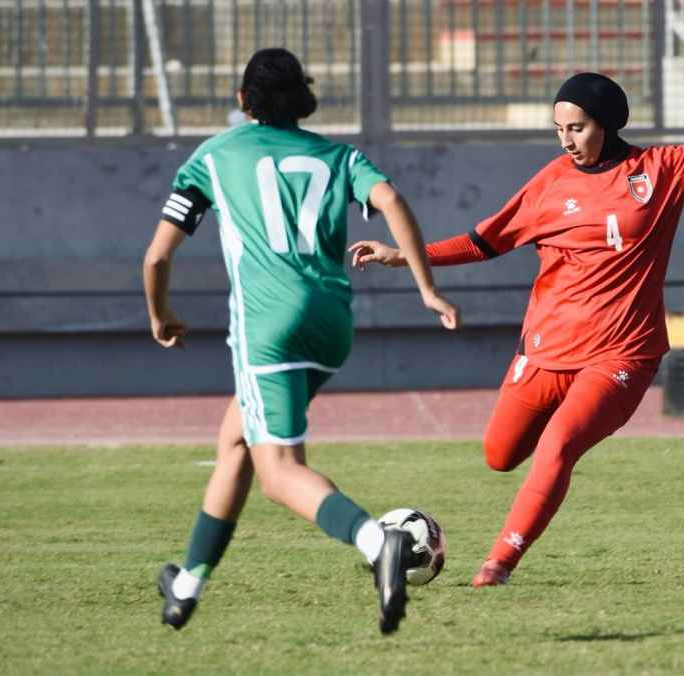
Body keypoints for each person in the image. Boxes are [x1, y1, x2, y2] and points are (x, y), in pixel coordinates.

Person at [349, 71, 684, 586]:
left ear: (607, 123)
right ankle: (532, 487)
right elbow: (483, 241)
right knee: (500, 455)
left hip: (621, 354)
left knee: (559, 443)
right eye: (559, 129)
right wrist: (405, 256)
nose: (567, 139)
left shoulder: (662, 169)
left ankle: (498, 565)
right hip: (546, 349)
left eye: (576, 127)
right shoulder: (549, 183)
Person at [142, 48, 460, 634]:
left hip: (270, 327)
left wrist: (160, 316)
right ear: (303, 98)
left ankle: (377, 542)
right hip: (331, 322)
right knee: (236, 441)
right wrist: (427, 291)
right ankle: (185, 585)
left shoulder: (215, 155)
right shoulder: (340, 156)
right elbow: (390, 200)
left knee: (279, 470)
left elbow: (159, 254)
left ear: (243, 101)